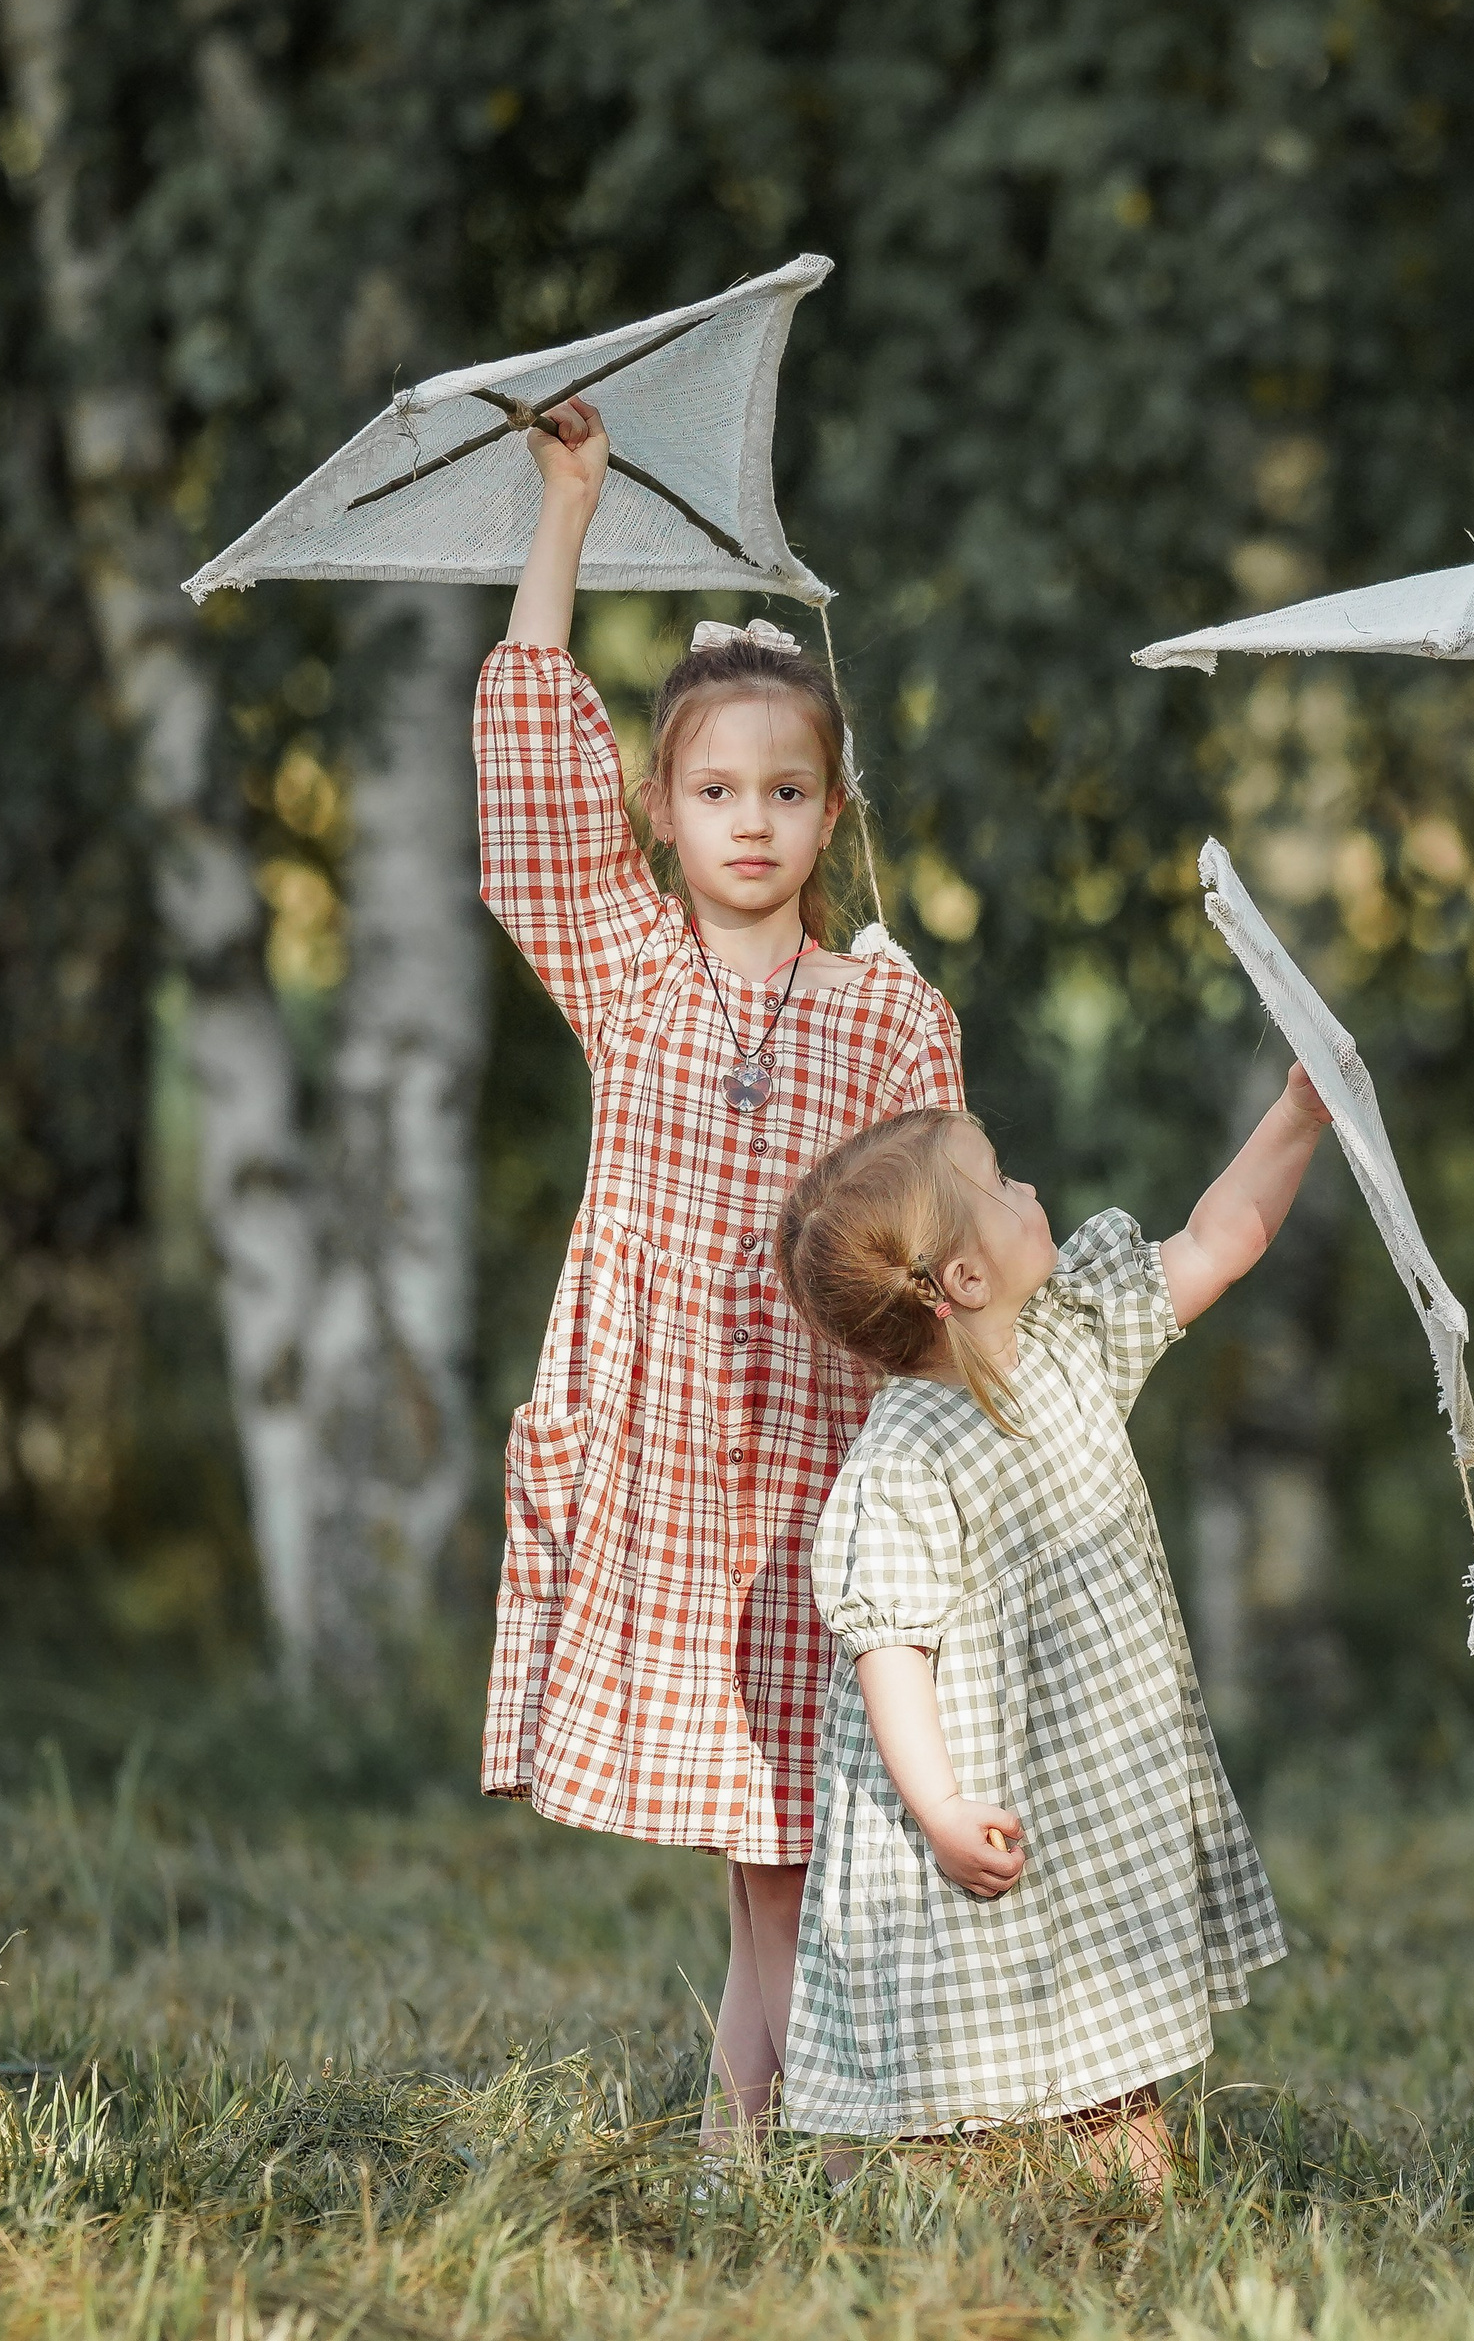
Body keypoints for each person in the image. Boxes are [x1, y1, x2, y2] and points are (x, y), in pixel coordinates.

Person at [476, 394, 965, 2156]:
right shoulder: (627, 963)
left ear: (830, 811)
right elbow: (533, 790)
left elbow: (946, 1252)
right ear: (664, 807)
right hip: (683, 1472)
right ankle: (762, 2142)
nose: (747, 821)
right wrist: (569, 516)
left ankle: (768, 2137)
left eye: (783, 790)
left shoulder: (889, 1008)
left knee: (805, 1844)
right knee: (766, 1850)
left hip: (829, 1473)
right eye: (710, 790)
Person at [768, 1078, 1330, 2183]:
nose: (1028, 1186)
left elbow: (1217, 1239)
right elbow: (891, 1649)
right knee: (957, 2039)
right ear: (964, 1276)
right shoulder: (906, 1458)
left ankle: (1118, 2175)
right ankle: (910, 2181)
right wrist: (936, 1806)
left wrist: (1300, 1109)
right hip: (984, 1796)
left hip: (1088, 1780)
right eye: (999, 1179)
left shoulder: (1065, 1336)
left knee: (1106, 2009)